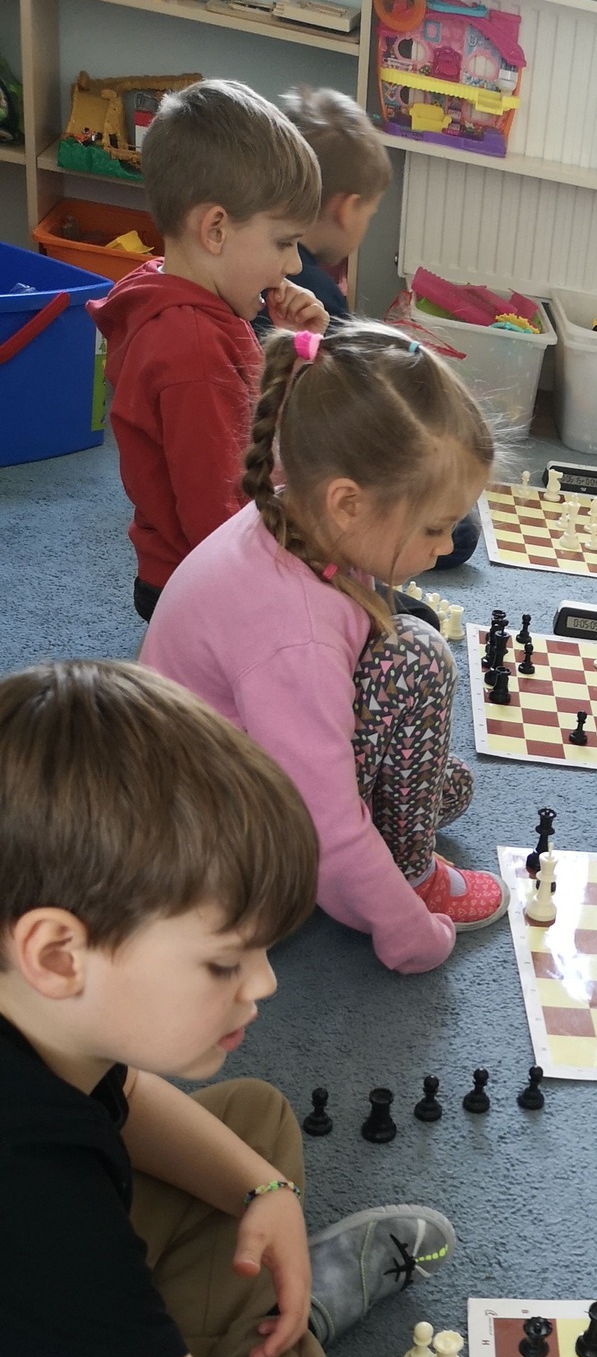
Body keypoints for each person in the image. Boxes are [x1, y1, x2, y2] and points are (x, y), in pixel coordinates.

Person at [0, 662, 597, 1357]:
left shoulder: (37, 1008)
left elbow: (118, 1093)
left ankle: (217, 1353)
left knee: (252, 1130)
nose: (270, 986)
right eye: (225, 962)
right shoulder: (25, 1181)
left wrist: (266, 1187)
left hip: (54, 1279)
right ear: (56, 951)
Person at [142, 321, 508, 974]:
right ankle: (410, 874)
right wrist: (408, 932)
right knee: (417, 659)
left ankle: (385, 848)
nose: (446, 548)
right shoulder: (297, 632)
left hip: (217, 784)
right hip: (217, 856)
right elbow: (324, 824)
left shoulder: (294, 514)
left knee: (443, 772)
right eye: (435, 527)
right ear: (348, 503)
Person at [88, 78, 329, 624]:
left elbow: (253, 423)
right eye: (284, 242)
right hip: (205, 589)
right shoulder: (191, 350)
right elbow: (218, 524)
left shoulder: (172, 293)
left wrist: (294, 348)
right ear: (216, 230)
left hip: (197, 566)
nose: (294, 265)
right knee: (396, 620)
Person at [259, 85, 480, 571]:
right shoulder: (318, 293)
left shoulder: (268, 271)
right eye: (370, 212)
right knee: (462, 531)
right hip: (312, 477)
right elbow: (356, 415)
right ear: (347, 207)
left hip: (283, 464)